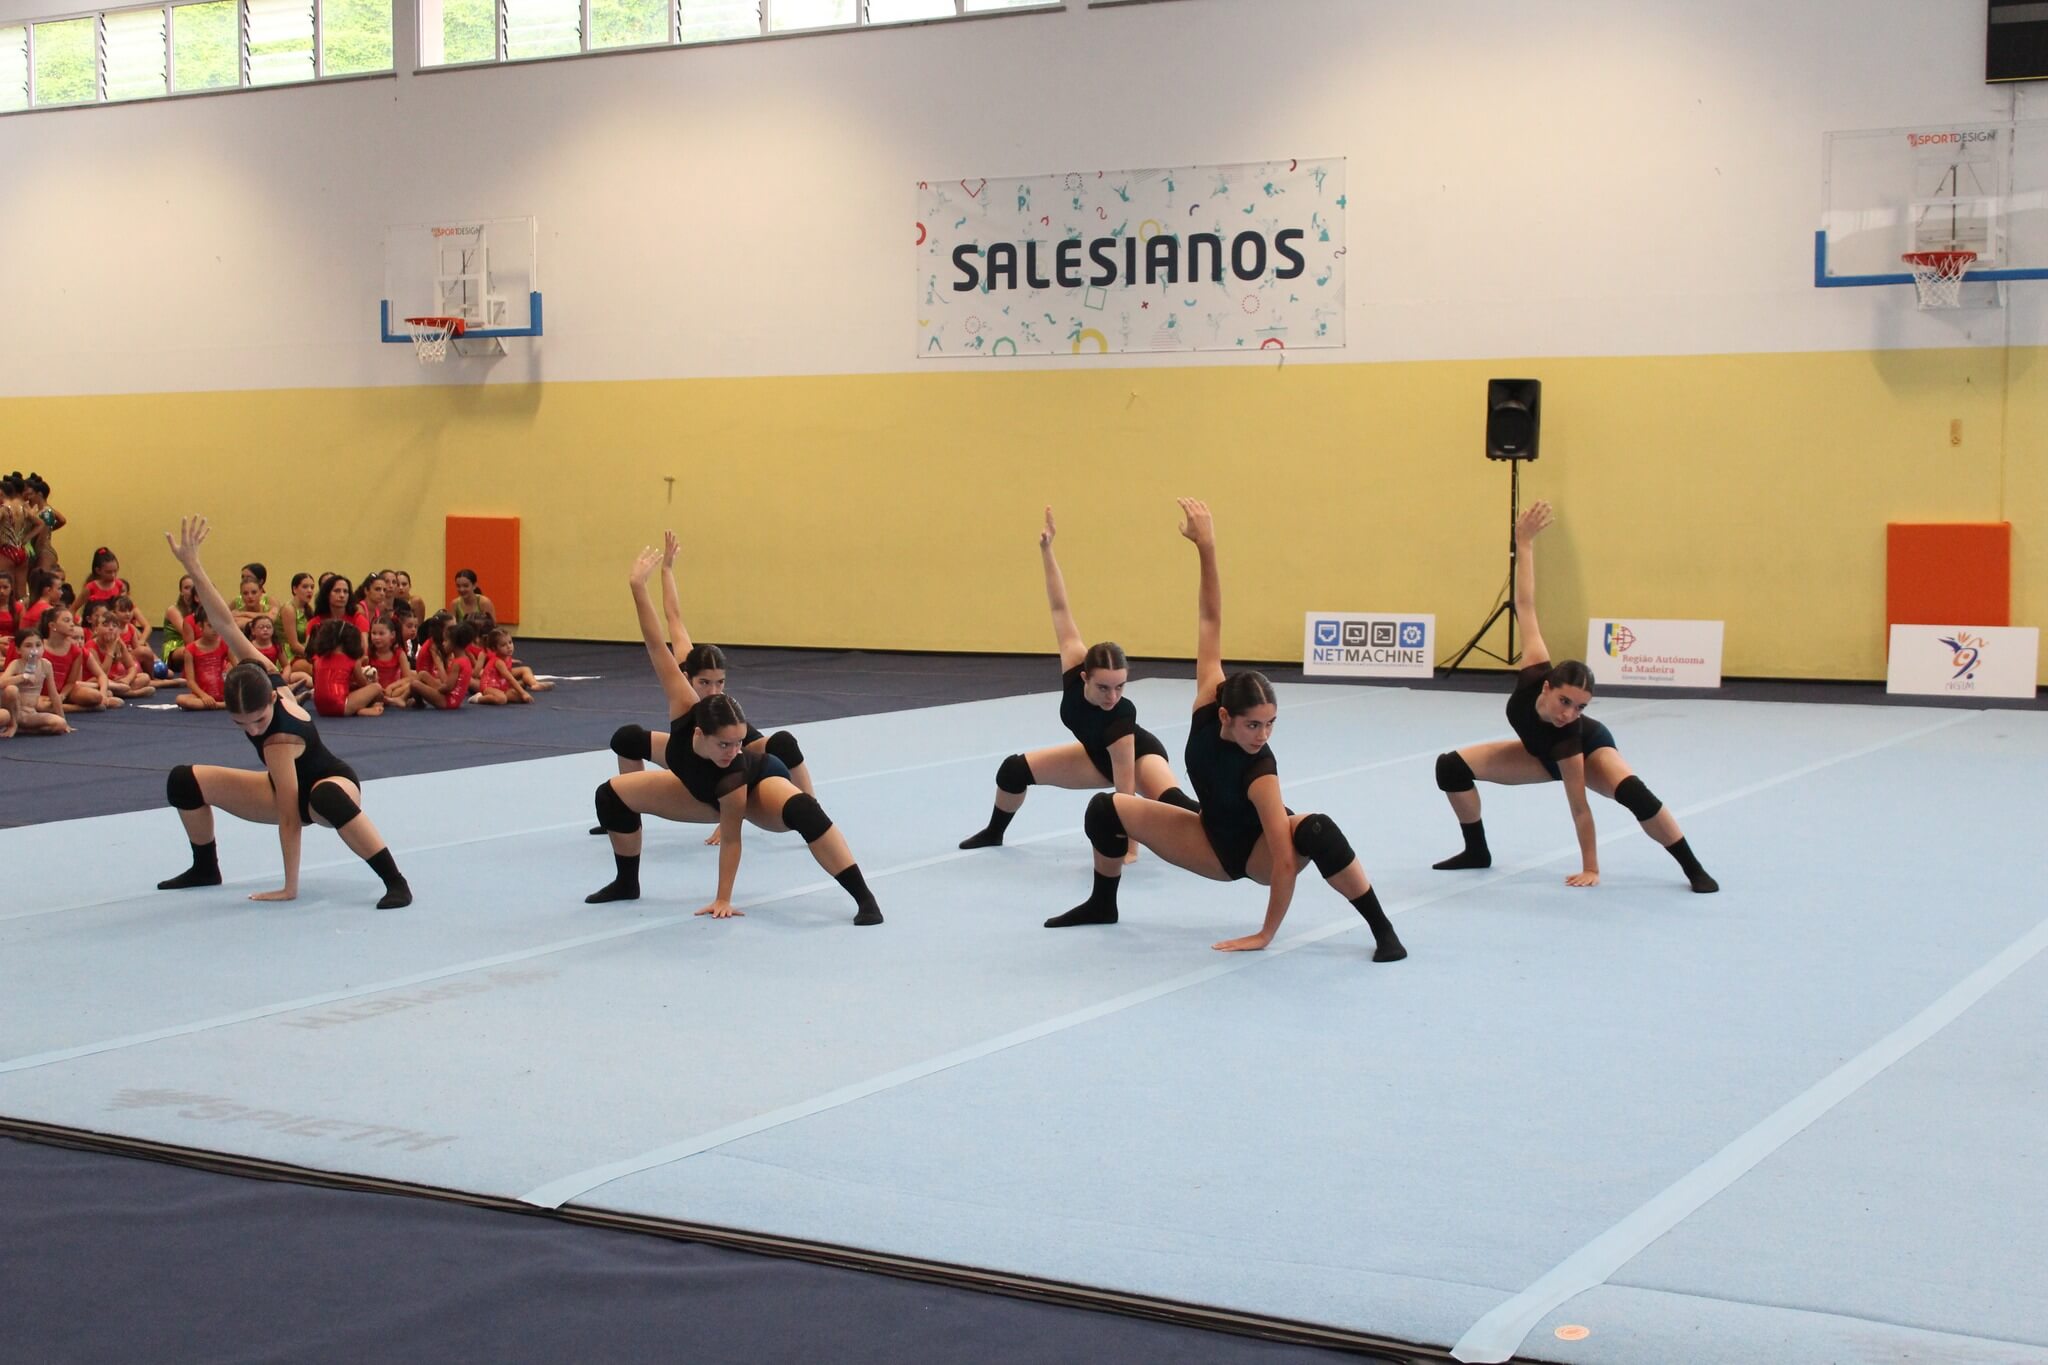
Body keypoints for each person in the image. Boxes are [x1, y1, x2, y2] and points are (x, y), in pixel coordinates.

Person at [1046, 500, 1406, 962]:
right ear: (1223, 716)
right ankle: (1103, 904)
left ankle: (1383, 929)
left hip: (1257, 855)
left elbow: (1283, 861)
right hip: (1206, 838)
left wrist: (1265, 934)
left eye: (1270, 724)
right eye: (1253, 724)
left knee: (1317, 829)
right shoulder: (1206, 699)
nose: (1263, 735)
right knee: (1105, 810)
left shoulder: (1261, 772)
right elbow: (1209, 619)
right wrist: (1206, 547)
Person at [1430, 501, 1717, 894]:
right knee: (1450, 767)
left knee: (1635, 795)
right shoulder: (1535, 668)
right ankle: (1476, 851)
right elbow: (1526, 604)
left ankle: (1693, 868)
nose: (1570, 713)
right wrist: (1524, 542)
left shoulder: (1569, 737)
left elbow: (1580, 809)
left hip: (1588, 750)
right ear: (1547, 687)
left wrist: (1590, 868)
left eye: (1581, 707)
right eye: (1565, 702)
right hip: (1537, 753)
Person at [586, 545, 881, 926]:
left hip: (756, 786)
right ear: (699, 733)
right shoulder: (683, 706)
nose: (733, 750)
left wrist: (723, 898)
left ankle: (865, 898)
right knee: (610, 795)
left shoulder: (734, 768)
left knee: (804, 812)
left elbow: (732, 837)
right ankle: (627, 883)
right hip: (697, 789)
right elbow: (657, 644)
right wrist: (638, 587)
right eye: (725, 744)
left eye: (738, 742)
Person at [155, 516, 411, 908]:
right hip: (277, 788)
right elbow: (224, 623)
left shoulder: (278, 738)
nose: (252, 729)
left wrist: (289, 887)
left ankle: (396, 881)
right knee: (183, 781)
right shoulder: (262, 672)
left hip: (331, 785)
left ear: (274, 700)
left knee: (327, 798)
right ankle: (205, 867)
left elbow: (291, 819)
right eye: (242, 724)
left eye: (258, 720)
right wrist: (193, 566)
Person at [960, 507, 1198, 852]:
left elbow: (1124, 792)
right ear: (1084, 676)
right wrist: (1046, 550)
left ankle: (1248, 827)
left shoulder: (1121, 716)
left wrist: (1129, 849)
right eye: (1103, 687)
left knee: (1177, 806)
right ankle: (993, 832)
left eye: (1120, 687)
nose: (1112, 696)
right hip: (1094, 756)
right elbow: (1059, 607)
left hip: (1138, 758)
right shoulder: (1073, 660)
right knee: (1013, 770)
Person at [588, 532, 815, 844]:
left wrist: (730, 817)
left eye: (720, 682)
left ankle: (812, 813)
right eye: (705, 683)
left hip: (717, 766)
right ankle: (624, 814)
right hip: (686, 753)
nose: (713, 691)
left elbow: (739, 766)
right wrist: (664, 571)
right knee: (626, 739)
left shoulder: (724, 719)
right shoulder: (683, 683)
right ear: (688, 675)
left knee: (783, 743)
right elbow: (671, 620)